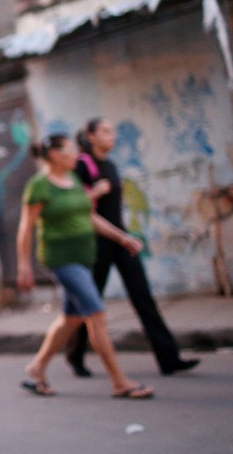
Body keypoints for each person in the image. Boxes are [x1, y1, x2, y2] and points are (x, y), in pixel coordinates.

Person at [16, 134, 154, 399]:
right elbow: (26, 227)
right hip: (62, 258)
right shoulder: (39, 186)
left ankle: (37, 367)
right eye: (69, 150)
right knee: (96, 314)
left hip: (84, 256)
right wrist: (24, 266)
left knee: (72, 317)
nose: (76, 155)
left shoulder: (74, 180)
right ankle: (119, 382)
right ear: (54, 154)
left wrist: (122, 237)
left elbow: (89, 216)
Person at [65, 117, 200, 377]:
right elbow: (72, 205)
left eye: (112, 131)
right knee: (90, 303)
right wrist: (96, 192)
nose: (112, 136)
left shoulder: (111, 165)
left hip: (121, 239)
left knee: (143, 298)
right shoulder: (83, 165)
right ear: (90, 136)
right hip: (96, 243)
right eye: (105, 131)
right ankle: (75, 354)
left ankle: (168, 358)